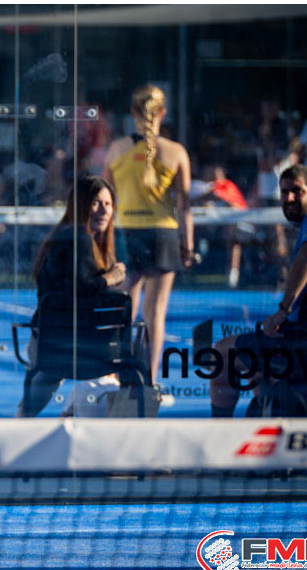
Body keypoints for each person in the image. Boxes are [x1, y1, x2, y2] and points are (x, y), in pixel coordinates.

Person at [209, 165, 307, 417]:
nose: (289, 198)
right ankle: (273, 413)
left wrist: (282, 311)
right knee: (259, 368)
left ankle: (218, 433)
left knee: (222, 352)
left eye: (297, 191)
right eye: (284, 192)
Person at [102, 84, 193, 386]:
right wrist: (188, 245)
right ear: (162, 113)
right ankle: (150, 381)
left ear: (133, 113)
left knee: (123, 312)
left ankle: (116, 376)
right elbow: (184, 206)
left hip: (127, 234)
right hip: (163, 236)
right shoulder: (176, 152)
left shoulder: (117, 149)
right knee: (155, 314)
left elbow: (103, 200)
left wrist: (100, 244)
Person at [16, 175, 126, 417]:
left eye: (108, 204)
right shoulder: (80, 238)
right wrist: (111, 278)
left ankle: (68, 414)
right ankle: (72, 413)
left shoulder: (74, 239)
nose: (103, 211)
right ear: (81, 205)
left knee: (30, 407)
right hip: (71, 345)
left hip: (51, 342)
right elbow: (82, 287)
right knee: (127, 360)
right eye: (96, 203)